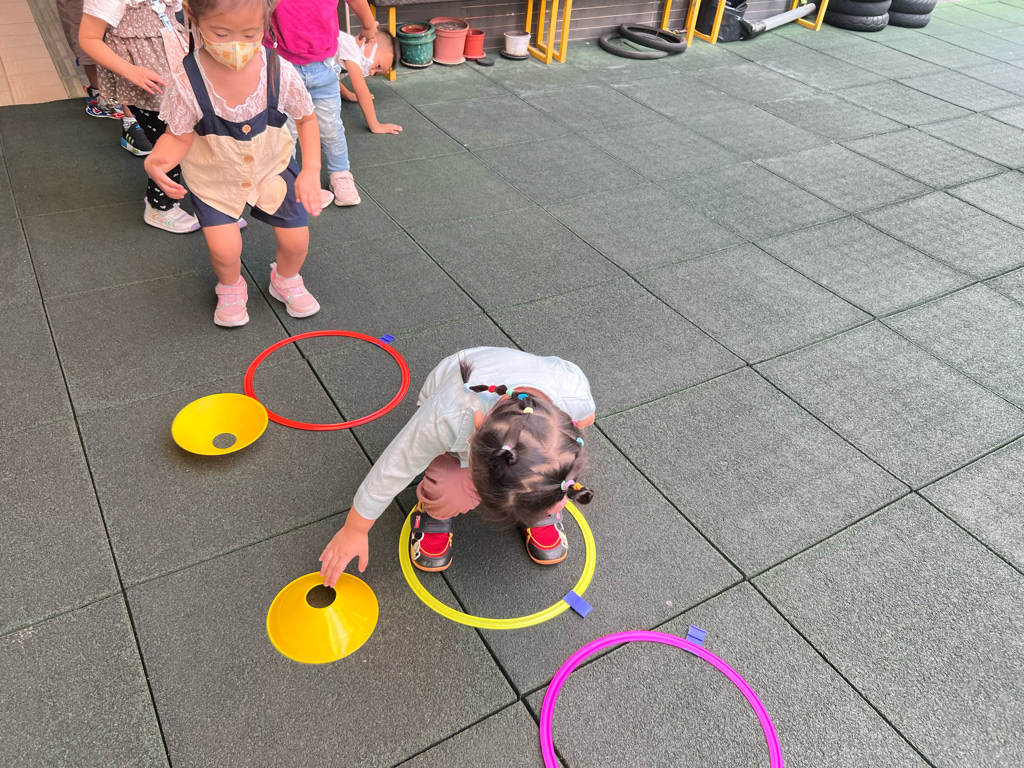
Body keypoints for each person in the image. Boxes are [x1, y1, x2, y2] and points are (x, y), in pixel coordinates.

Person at [319, 348, 596, 586]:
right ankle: (435, 510)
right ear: (475, 429)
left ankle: (537, 502)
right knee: (452, 488)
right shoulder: (445, 418)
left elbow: (585, 413)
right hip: (460, 383)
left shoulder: (572, 395)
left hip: (519, 395)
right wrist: (354, 529)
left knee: (549, 483)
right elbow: (393, 468)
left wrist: (546, 489)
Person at [145, 0, 324, 327]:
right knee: (224, 250)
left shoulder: (278, 70)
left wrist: (312, 170)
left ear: (266, 23)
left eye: (250, 33)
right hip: (214, 175)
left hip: (272, 168)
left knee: (296, 240)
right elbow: (178, 136)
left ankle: (285, 278)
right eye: (221, 33)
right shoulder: (187, 80)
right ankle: (230, 286)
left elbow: (307, 119)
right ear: (194, 17)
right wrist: (158, 161)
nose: (236, 45)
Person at [79, 0, 200, 232]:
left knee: (191, 136)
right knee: (165, 140)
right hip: (143, 78)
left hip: (174, 66)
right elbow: (88, 37)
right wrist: (130, 71)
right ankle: (159, 207)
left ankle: (209, 205)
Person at [268, 0, 379, 207]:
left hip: (323, 65)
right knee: (287, 132)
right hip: (282, 63)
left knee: (331, 127)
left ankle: (340, 173)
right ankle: (290, 182)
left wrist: (368, 24)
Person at [336, 29, 402, 137]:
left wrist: (347, 94)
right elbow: (361, 89)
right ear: (371, 42)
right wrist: (375, 125)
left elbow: (330, 76)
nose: (371, 72)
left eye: (376, 73)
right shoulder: (352, 49)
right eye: (378, 66)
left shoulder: (348, 49)